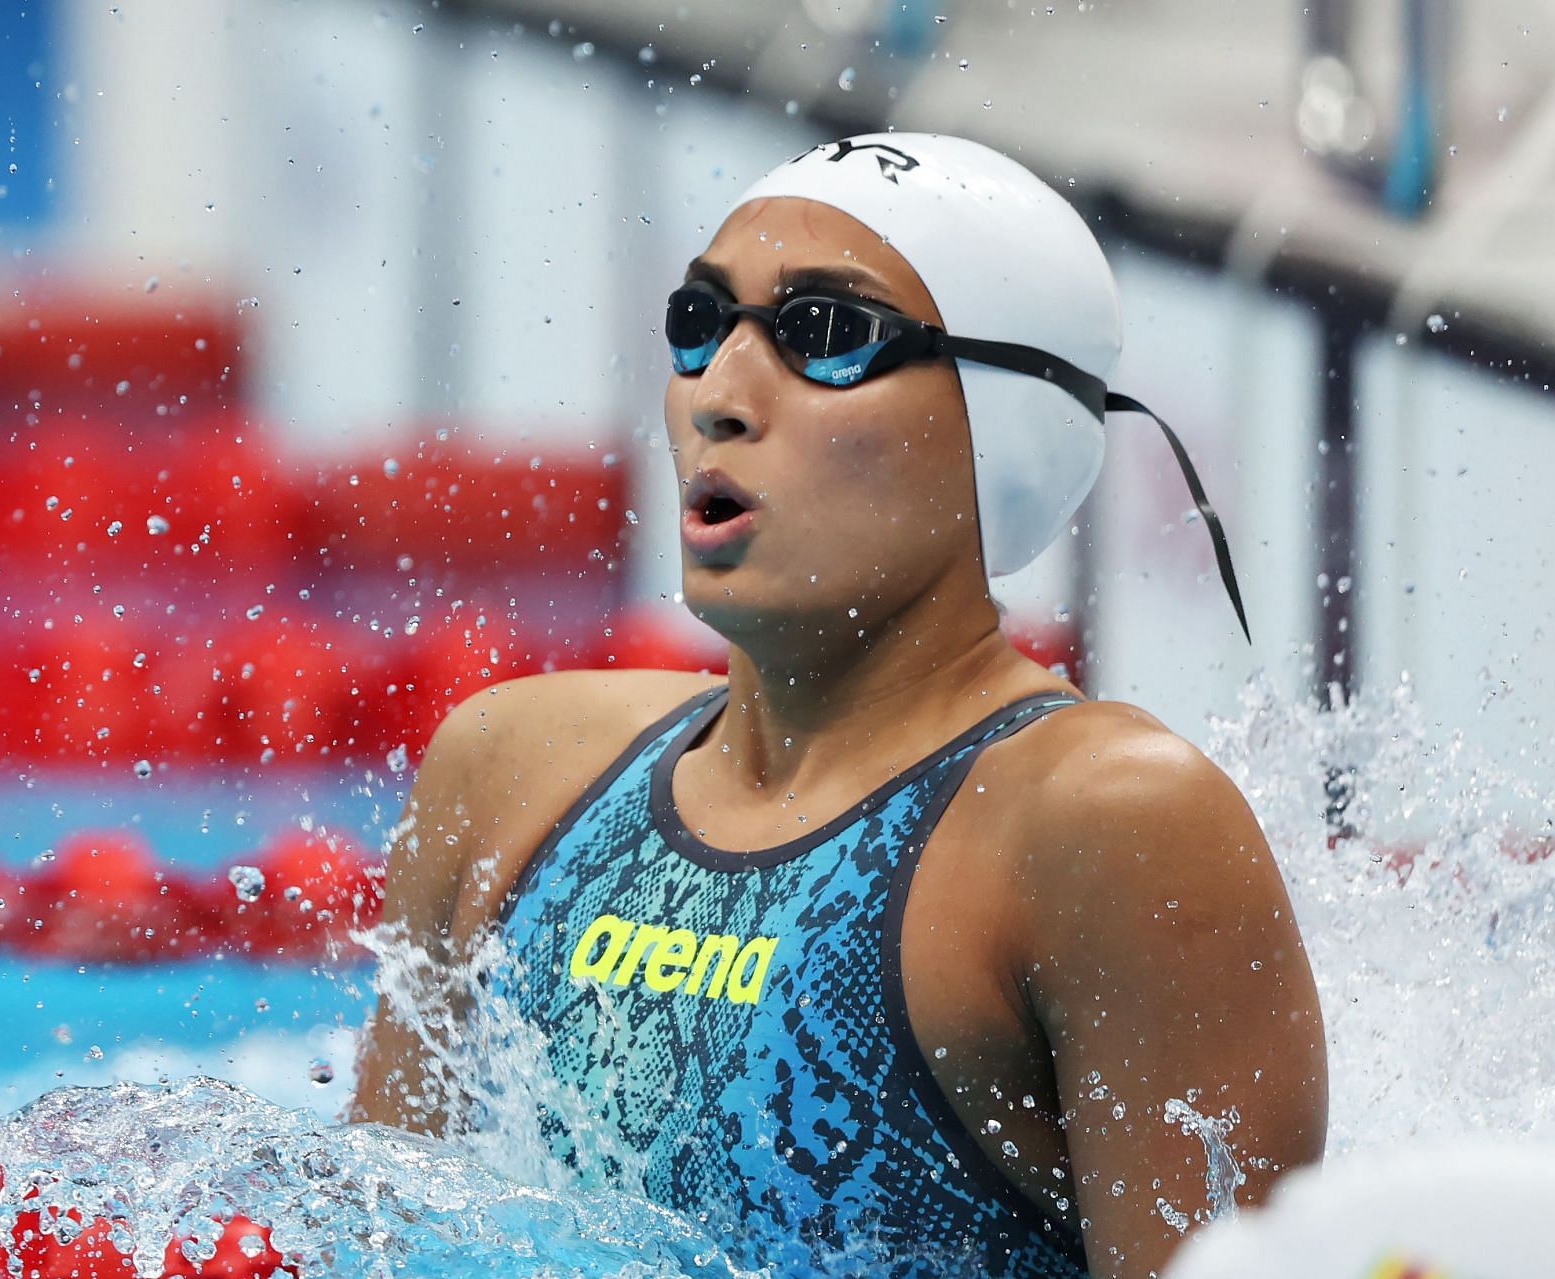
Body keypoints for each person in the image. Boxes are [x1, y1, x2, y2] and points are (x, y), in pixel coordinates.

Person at [350, 132, 1328, 1279]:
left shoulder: (1104, 827)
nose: (718, 394)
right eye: (700, 323)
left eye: (827, 336)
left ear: (998, 417)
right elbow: (378, 1250)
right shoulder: (510, 768)